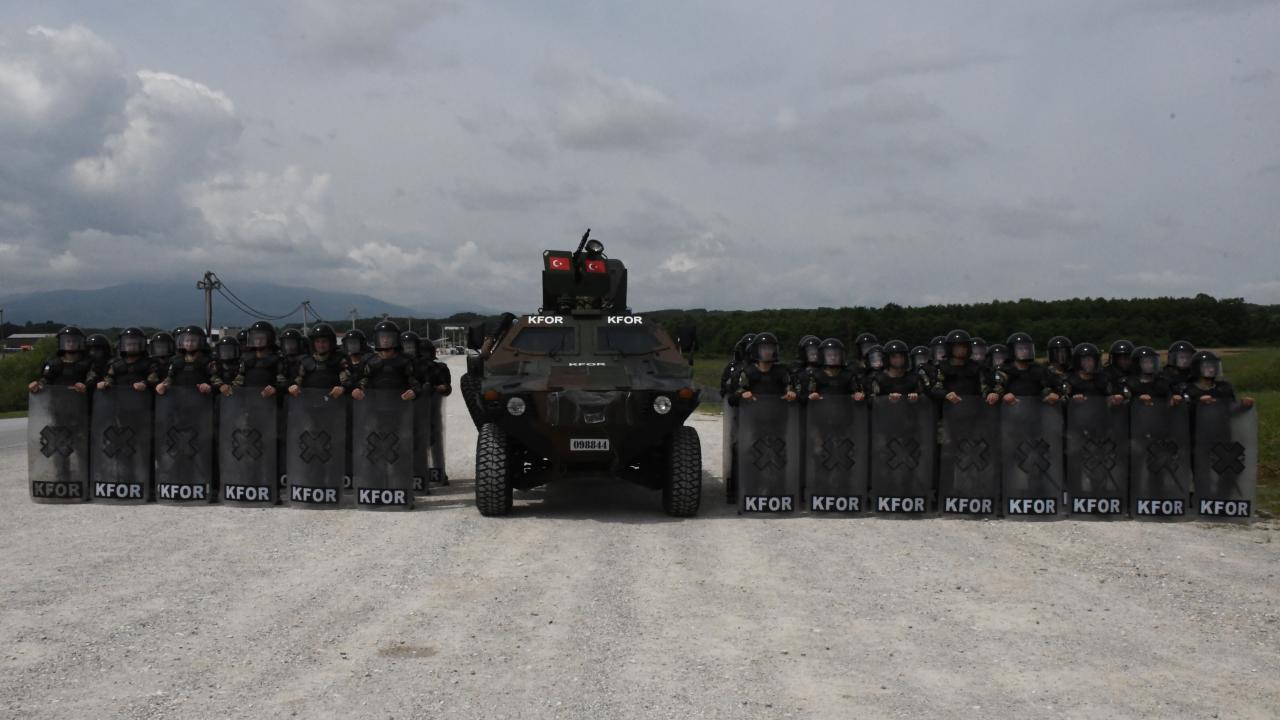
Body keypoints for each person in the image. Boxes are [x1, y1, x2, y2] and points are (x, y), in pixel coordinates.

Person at [929, 329, 999, 405]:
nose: (961, 350)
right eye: (957, 347)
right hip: (949, 408)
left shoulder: (976, 367)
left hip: (974, 407)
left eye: (964, 347)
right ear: (950, 348)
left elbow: (985, 386)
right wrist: (946, 394)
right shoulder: (941, 368)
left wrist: (991, 394)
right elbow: (935, 389)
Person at [994, 332, 1066, 405]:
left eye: (1027, 348)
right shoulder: (1004, 372)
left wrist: (1053, 395)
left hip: (1036, 409)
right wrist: (1002, 395)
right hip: (1012, 409)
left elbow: (1056, 387)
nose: (1025, 351)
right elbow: (995, 391)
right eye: (1020, 348)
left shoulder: (1040, 370)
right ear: (1012, 350)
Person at [354, 320, 418, 401]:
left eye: (389, 337)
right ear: (377, 338)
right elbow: (359, 381)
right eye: (382, 337)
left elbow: (417, 383)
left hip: (401, 403)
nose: (385, 340)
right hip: (373, 404)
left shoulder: (406, 361)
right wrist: (357, 389)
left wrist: (414, 392)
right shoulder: (368, 360)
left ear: (395, 338)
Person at [153, 326, 217, 396]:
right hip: (179, 398)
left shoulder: (207, 361)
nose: (189, 344)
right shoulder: (175, 361)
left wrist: (209, 387)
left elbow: (216, 380)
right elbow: (170, 377)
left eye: (193, 340)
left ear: (200, 341)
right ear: (182, 342)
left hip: (201, 398)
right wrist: (163, 385)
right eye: (187, 340)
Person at [735, 332, 797, 403]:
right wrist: (742, 393)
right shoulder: (748, 372)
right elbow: (733, 396)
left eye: (770, 348)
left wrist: (791, 392)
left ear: (774, 350)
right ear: (757, 350)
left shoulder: (782, 371)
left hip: (777, 408)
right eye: (763, 348)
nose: (767, 352)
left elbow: (791, 387)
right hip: (754, 408)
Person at [28, 326, 92, 395]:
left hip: (80, 399)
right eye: (68, 341)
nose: (71, 344)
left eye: (74, 341)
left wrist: (85, 385)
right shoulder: (53, 363)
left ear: (79, 342)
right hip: (57, 399)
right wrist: (36, 385)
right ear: (62, 342)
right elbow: (45, 380)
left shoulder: (87, 363)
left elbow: (92, 380)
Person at [230, 321, 286, 398]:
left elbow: (283, 382)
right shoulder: (246, 359)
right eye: (256, 338)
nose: (258, 341)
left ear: (269, 338)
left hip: (270, 401)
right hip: (249, 400)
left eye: (261, 338)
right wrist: (229, 388)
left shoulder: (276, 359)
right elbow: (238, 381)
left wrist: (275, 388)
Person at [288, 323, 346, 398]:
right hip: (310, 402)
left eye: (324, 341)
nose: (321, 345)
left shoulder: (339, 360)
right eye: (317, 341)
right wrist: (293, 386)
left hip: (333, 402)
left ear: (331, 342)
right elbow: (295, 381)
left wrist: (342, 388)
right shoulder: (305, 362)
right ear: (313, 343)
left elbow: (348, 382)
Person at [1061, 343, 1128, 406]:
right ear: (1078, 362)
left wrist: (1116, 398)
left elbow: (1112, 396)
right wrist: (1073, 399)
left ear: (1096, 361)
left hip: (1099, 413)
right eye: (1084, 360)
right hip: (1077, 413)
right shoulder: (1070, 381)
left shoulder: (1103, 379)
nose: (1088, 363)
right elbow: (1063, 401)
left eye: (1090, 360)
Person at [1183, 350, 1254, 407]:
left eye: (1213, 366)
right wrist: (1198, 403)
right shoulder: (1189, 390)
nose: (1211, 370)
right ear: (1197, 368)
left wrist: (1243, 404)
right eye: (1207, 366)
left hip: (1221, 420)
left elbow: (1232, 409)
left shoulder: (1224, 387)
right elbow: (1185, 413)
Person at [96, 327, 153, 393]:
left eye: (134, 344)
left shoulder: (149, 364)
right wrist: (104, 384)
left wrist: (144, 384)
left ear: (141, 345)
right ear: (123, 345)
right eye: (129, 344)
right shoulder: (115, 365)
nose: (132, 347)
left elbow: (153, 379)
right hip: (119, 397)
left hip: (142, 396)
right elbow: (109, 378)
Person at [720, 334, 755, 398]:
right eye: (745, 347)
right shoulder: (734, 366)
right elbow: (726, 384)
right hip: (736, 397)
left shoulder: (762, 366)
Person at [338, 329, 370, 395]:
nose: (353, 346)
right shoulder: (341, 363)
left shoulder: (369, 362)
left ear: (361, 344)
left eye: (355, 343)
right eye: (350, 343)